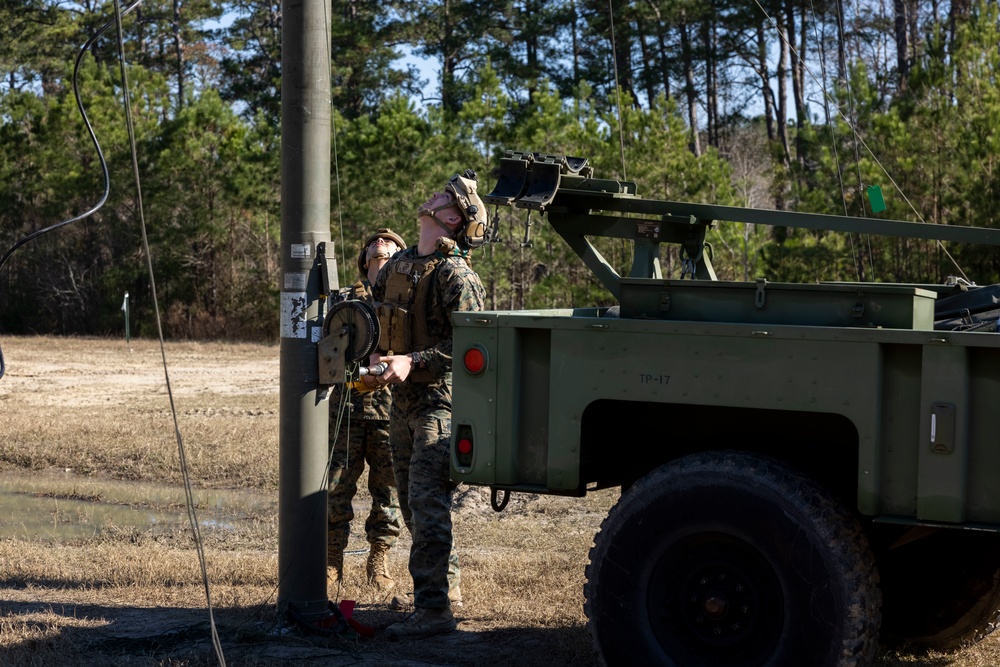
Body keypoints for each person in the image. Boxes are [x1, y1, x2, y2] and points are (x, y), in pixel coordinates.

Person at [370, 171, 488, 640]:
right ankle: (445, 590)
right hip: (401, 401)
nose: (432, 195)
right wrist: (376, 353)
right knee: (412, 505)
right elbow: (379, 319)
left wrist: (412, 359)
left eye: (444, 196)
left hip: (441, 403)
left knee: (426, 501)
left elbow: (471, 344)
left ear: (452, 216)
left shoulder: (456, 274)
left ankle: (435, 611)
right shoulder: (399, 264)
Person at [327, 229, 407, 593]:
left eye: (390, 243)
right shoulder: (344, 298)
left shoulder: (408, 299)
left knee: (387, 490)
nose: (381, 242)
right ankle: (330, 561)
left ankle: (380, 558)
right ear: (364, 258)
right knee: (335, 487)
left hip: (391, 409)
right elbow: (325, 351)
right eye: (375, 242)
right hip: (347, 406)